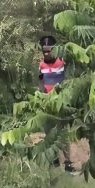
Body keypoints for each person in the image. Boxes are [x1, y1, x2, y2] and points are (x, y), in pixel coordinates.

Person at [36, 38, 74, 172]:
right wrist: (41, 96)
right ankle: (55, 160)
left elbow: (69, 80)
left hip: (61, 104)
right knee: (50, 134)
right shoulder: (41, 66)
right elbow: (40, 82)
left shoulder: (62, 63)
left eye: (48, 51)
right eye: (44, 51)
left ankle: (68, 163)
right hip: (48, 105)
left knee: (63, 134)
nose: (46, 53)